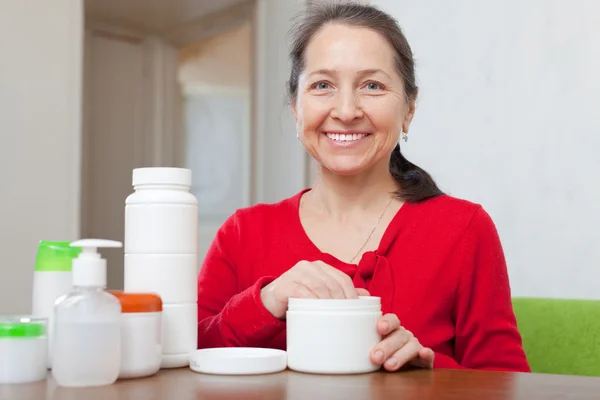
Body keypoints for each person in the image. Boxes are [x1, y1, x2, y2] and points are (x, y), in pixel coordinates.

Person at [196, 1, 530, 372]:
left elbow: (507, 383)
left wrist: (432, 371)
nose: (346, 110)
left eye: (372, 85)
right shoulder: (243, 234)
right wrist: (268, 300)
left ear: (409, 109)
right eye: (322, 85)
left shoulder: (464, 229)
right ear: (295, 107)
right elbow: (189, 360)